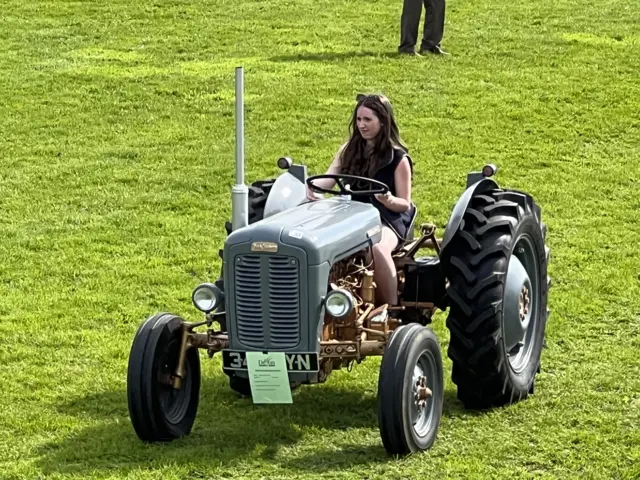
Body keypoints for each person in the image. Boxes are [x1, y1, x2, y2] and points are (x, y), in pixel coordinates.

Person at [306, 94, 415, 307]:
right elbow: (329, 180)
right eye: (358, 120)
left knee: (377, 247)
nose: (362, 125)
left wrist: (388, 200)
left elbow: (405, 204)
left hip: (387, 219)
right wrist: (312, 187)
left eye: (368, 120)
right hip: (353, 216)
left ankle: (390, 307)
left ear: (383, 121)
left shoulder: (399, 159)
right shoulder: (348, 151)